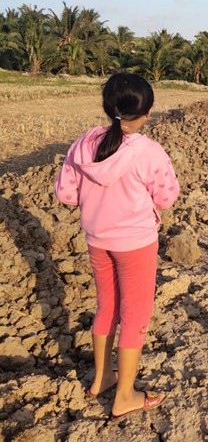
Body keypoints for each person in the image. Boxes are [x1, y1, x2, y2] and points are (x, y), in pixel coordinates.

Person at [54, 72, 179, 421]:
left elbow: (66, 195)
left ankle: (102, 379)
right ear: (147, 113)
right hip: (136, 243)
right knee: (135, 315)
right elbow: (166, 198)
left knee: (107, 306)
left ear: (107, 106)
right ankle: (125, 395)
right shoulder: (148, 152)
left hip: (97, 240)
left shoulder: (82, 144)